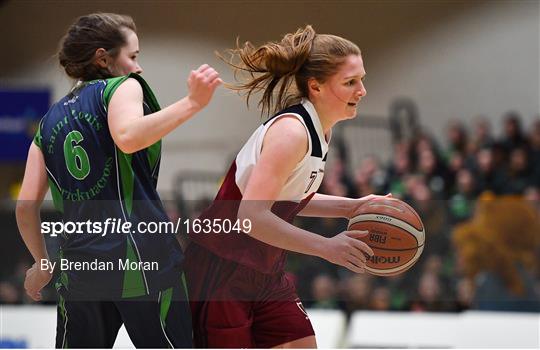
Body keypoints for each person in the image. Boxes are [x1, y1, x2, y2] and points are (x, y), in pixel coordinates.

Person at [15, 13, 221, 348]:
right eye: (133, 57)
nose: (138, 68)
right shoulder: (121, 87)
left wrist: (42, 263)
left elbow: (25, 208)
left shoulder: (48, 121)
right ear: (103, 58)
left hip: (81, 269)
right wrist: (192, 103)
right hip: (142, 260)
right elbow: (126, 136)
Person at [185, 25, 390, 348]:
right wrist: (326, 246)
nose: (362, 90)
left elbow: (290, 196)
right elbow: (251, 216)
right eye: (350, 82)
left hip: (264, 269)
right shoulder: (291, 133)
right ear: (316, 87)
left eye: (361, 79)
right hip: (223, 264)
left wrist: (352, 206)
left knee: (302, 343)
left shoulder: (320, 129)